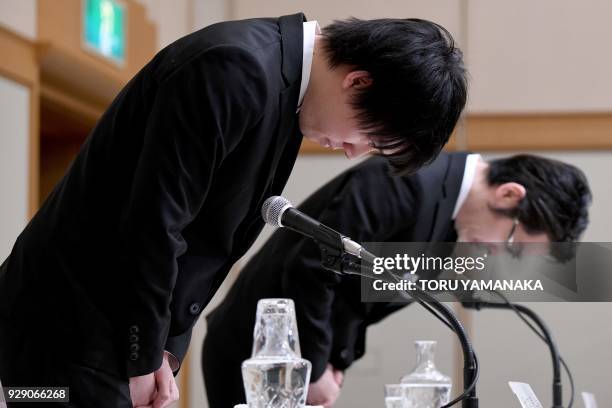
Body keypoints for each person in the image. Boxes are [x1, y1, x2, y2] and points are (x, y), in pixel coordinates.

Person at [0, 14, 467, 408]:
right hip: (65, 330)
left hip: (112, 333)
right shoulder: (235, 67)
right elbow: (155, 222)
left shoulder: (285, 95)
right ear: (359, 81)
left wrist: (166, 349)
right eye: (370, 138)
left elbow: (207, 245)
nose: (352, 152)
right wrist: (141, 356)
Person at [202, 152, 592, 408]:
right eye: (511, 246)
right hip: (256, 354)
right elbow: (312, 268)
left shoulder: (454, 228)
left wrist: (336, 361)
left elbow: (359, 298)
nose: (497, 259)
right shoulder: (405, 178)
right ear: (508, 194)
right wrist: (317, 368)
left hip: (309, 362)